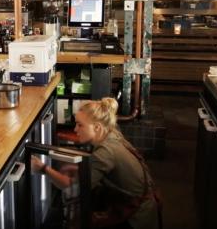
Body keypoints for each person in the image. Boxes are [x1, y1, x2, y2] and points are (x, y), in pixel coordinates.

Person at [32, 98, 161, 229]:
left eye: (80, 125)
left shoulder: (106, 152)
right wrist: (80, 169)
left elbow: (71, 187)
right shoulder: (111, 134)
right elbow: (100, 168)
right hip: (137, 206)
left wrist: (42, 168)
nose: (75, 129)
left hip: (137, 219)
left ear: (97, 127)